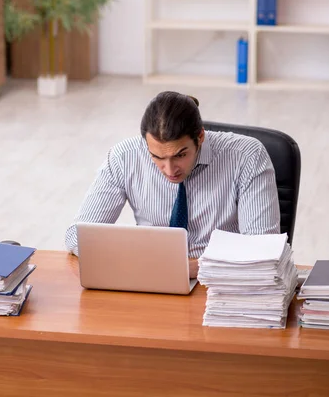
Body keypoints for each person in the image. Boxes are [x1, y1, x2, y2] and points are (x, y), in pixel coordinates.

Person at [65, 91, 280, 278]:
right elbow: (76, 236)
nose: (170, 170)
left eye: (180, 155)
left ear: (200, 136)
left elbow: (261, 249)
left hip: (222, 283)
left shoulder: (247, 156)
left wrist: (194, 268)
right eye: (157, 157)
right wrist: (134, 258)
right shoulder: (125, 157)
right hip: (152, 277)